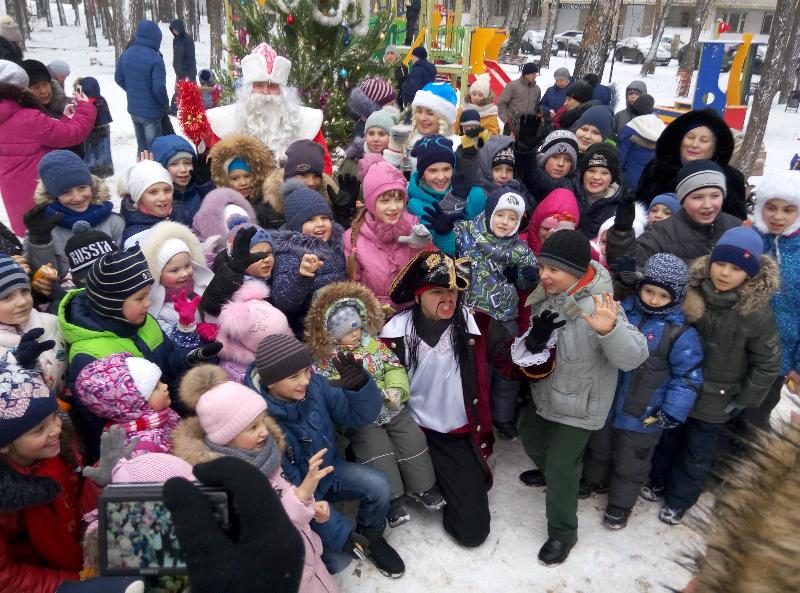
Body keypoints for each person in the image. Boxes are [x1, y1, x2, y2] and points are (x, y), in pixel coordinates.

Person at [515, 230, 648, 565]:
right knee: (528, 432)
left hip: (582, 404)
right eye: (542, 265)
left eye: (553, 269)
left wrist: (609, 330)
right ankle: (557, 478)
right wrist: (535, 339)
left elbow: (634, 356)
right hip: (548, 392)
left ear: (576, 271)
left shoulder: (600, 305)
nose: (544, 274)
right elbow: (540, 346)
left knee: (562, 466)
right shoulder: (549, 293)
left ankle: (562, 533)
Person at [244, 333, 406, 578]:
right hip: (297, 494)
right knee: (338, 561)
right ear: (270, 383)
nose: (305, 381)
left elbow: (357, 417)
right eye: (294, 376)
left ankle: (370, 537)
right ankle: (320, 557)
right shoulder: (259, 422)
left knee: (379, 485)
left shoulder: (316, 386)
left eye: (306, 371)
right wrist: (343, 535)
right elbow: (289, 493)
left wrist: (360, 387)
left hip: (330, 470)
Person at [649, 227, 781, 525]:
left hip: (717, 399)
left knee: (697, 453)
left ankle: (679, 499)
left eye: (736, 268)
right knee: (666, 438)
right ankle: (656, 480)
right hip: (678, 388)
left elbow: (767, 362)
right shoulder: (690, 292)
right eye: (721, 263)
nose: (725, 273)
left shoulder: (755, 313)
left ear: (750, 273)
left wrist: (744, 399)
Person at [172, 364, 340, 592]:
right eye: (252, 427)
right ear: (227, 437)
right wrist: (301, 497)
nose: (264, 431)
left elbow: (284, 495)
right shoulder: (225, 485)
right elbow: (267, 534)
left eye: (262, 421)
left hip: (310, 560)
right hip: (288, 576)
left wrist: (310, 504)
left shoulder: (265, 454)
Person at [306, 281, 444, 527]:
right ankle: (392, 499)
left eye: (357, 327)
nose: (356, 334)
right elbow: (332, 390)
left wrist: (396, 389)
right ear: (331, 333)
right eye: (348, 332)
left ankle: (423, 486)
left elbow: (393, 366)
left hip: (392, 407)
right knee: (376, 452)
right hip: (362, 418)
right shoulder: (327, 361)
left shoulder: (373, 345)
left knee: (412, 440)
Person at [380, 249, 494, 547]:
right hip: (408, 433)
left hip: (455, 436)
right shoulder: (394, 333)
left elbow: (512, 358)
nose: (449, 298)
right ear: (418, 296)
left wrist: (535, 340)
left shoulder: (477, 325)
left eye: (454, 291)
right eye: (437, 291)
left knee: (472, 531)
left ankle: (435, 480)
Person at [581, 253, 702, 529]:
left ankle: (620, 505)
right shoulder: (624, 312)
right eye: (649, 291)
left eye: (663, 295)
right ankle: (592, 479)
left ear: (678, 296)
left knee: (631, 462)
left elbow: (687, 377)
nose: (654, 299)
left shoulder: (680, 332)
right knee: (598, 447)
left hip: (645, 411)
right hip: (609, 400)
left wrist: (672, 410)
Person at [0, 354, 134, 593]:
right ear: (5, 444)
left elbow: (74, 506)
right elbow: (6, 578)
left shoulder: (60, 450)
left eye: (53, 416)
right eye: (39, 429)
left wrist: (99, 484)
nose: (56, 429)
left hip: (76, 556)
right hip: (45, 578)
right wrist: (77, 583)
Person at [455, 185, 538, 438]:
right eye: (500, 214)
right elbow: (447, 249)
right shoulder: (466, 233)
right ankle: (476, 418)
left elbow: (527, 285)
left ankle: (503, 417)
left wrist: (525, 277)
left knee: (506, 372)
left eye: (512, 217)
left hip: (504, 320)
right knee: (477, 371)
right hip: (472, 314)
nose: (505, 222)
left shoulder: (520, 250)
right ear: (490, 213)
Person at [0, 61, 95, 236]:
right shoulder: (26, 118)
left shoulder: (7, 116)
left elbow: (38, 142)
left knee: (37, 247)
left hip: (18, 201)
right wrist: (85, 108)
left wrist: (65, 120)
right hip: (41, 200)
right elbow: (72, 134)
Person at [205, 43, 331, 173]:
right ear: (248, 89)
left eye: (272, 86)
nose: (265, 92)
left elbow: (323, 169)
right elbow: (217, 173)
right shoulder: (224, 122)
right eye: (258, 85)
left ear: (282, 90)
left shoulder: (307, 122)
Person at [607, 160, 742, 270]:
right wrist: (621, 233)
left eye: (715, 196)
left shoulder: (736, 228)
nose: (707, 204)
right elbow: (627, 263)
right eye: (698, 197)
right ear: (683, 200)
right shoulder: (663, 231)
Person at [344, 159, 430, 310]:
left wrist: (420, 246)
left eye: (399, 199)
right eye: (385, 201)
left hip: (411, 313)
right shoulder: (354, 237)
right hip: (374, 315)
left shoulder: (414, 227)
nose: (394, 207)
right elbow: (353, 285)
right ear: (371, 202)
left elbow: (427, 272)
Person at [749, 171, 800, 426]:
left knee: (755, 419)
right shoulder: (751, 240)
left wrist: (798, 365)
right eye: (771, 207)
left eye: (788, 210)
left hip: (780, 355)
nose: (778, 217)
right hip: (740, 349)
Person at [23, 150, 124, 280]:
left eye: (82, 187)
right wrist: (39, 241)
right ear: (54, 196)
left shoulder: (114, 222)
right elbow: (42, 277)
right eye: (66, 192)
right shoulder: (45, 228)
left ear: (91, 186)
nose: (77, 197)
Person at [635, 108, 748, 219]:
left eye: (703, 140)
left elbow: (734, 227)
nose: (694, 144)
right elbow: (639, 210)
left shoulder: (731, 180)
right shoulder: (656, 169)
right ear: (680, 140)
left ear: (715, 148)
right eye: (690, 137)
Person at [269, 182, 347, 335]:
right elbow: (283, 301)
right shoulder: (288, 253)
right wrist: (302, 276)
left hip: (344, 321)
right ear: (297, 225)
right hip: (312, 331)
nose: (320, 224)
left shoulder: (337, 245)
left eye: (324, 218)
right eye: (310, 220)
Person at [75, 352, 180, 455]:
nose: (165, 386)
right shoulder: (140, 449)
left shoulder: (160, 415)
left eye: (160, 381)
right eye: (155, 387)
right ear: (135, 404)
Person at [0, 253, 67, 393]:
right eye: (6, 297)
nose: (23, 301)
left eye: (25, 291)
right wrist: (21, 367)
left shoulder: (51, 321)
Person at [114, 20, 169, 153]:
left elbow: (118, 78)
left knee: (142, 147)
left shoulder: (126, 54)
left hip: (134, 109)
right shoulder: (155, 59)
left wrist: (134, 91)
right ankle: (155, 172)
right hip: (151, 111)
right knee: (154, 149)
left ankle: (140, 171)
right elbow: (159, 88)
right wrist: (165, 103)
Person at [207, 133, 279, 228]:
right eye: (235, 178)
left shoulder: (267, 204)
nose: (243, 183)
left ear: (257, 175)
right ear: (224, 180)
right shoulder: (223, 206)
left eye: (247, 176)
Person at [119, 160, 192, 246]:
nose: (163, 198)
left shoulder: (181, 213)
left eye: (167, 190)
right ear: (139, 198)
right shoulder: (135, 237)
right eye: (153, 192)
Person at [150, 134, 213, 219]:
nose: (183, 169)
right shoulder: (158, 198)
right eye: (174, 164)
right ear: (162, 167)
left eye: (187, 163)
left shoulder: (202, 188)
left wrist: (206, 187)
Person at [618, 94, 665, 189]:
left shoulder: (630, 128)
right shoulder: (662, 128)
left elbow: (620, 159)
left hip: (630, 181)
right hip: (652, 182)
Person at [76, 76, 114, 178]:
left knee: (98, 151)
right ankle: (98, 170)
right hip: (97, 129)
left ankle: (100, 170)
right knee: (97, 151)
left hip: (97, 129)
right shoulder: (97, 99)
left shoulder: (95, 101)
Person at [497, 62, 541, 135]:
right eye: (533, 74)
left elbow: (536, 107)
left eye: (536, 74)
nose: (535, 76)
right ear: (526, 74)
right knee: (508, 146)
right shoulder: (512, 86)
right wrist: (507, 121)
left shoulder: (537, 89)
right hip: (511, 127)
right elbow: (501, 104)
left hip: (527, 128)